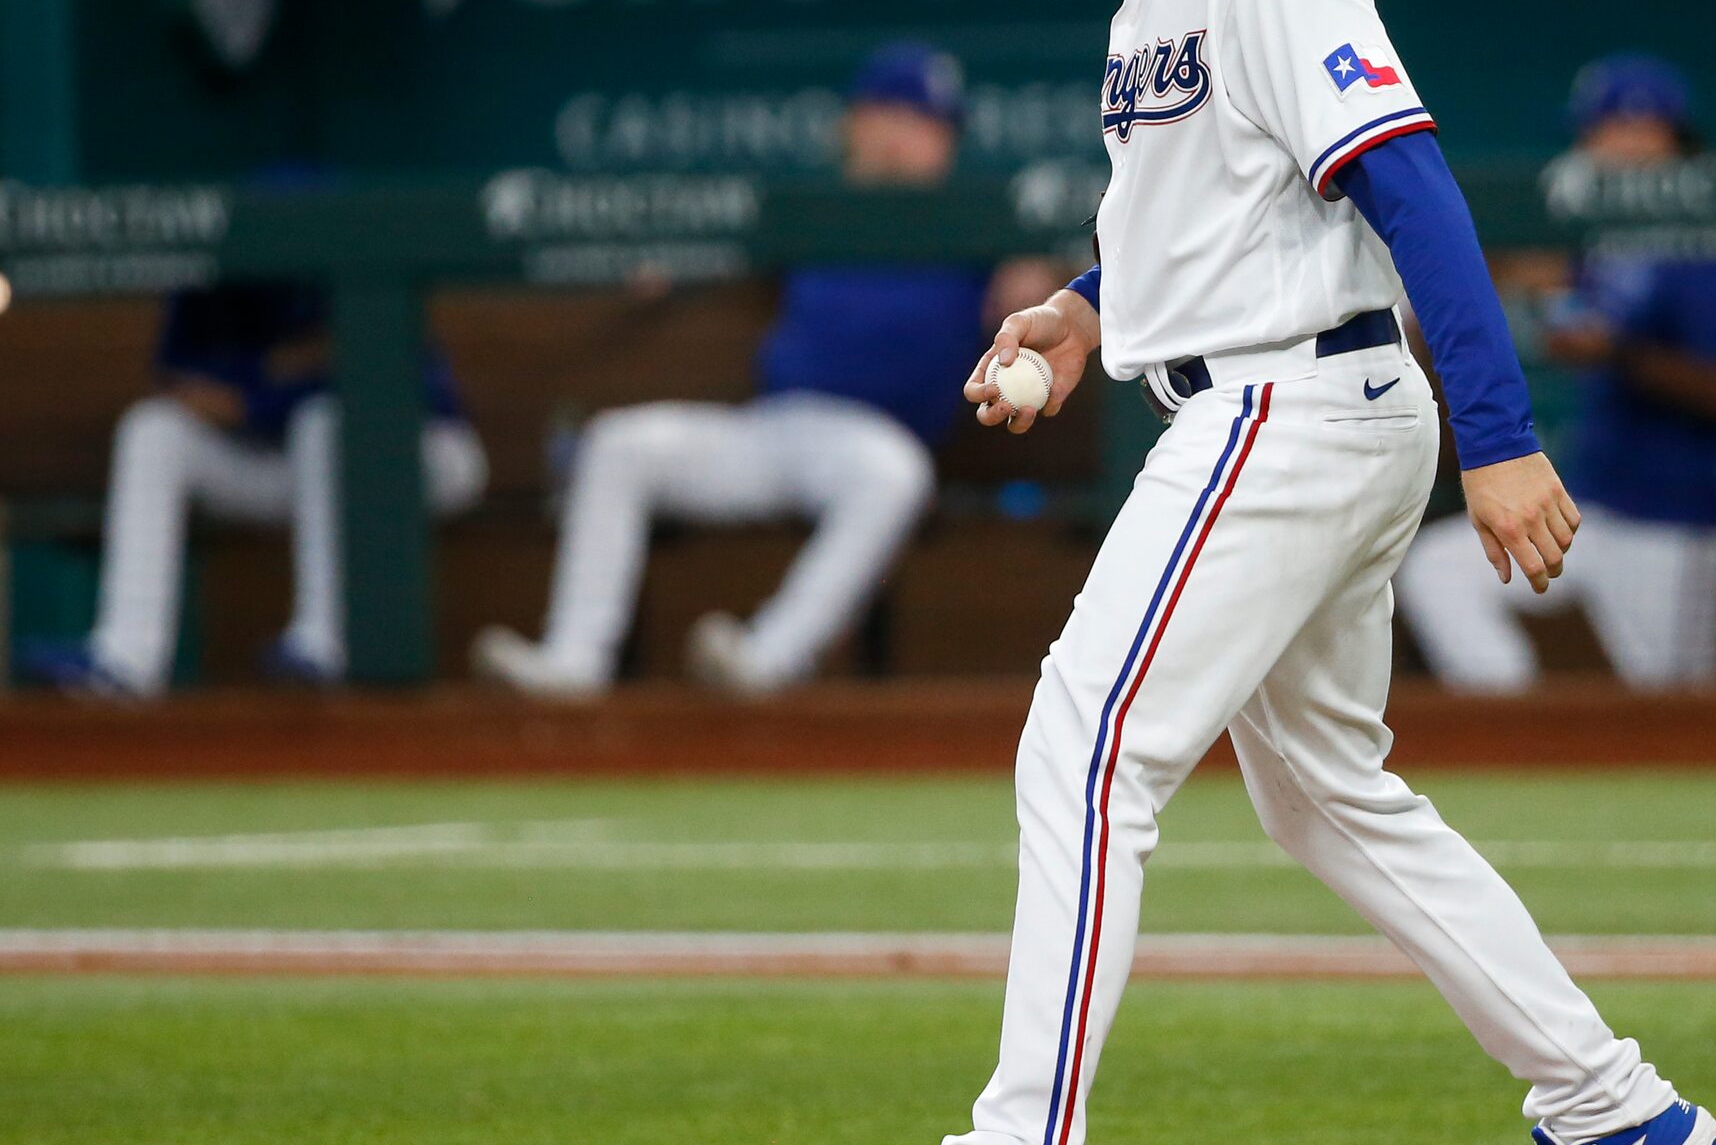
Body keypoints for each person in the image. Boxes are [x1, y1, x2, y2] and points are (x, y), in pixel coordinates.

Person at [810, 0, 1716, 1145]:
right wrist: (1087, 308)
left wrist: (1501, 431)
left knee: (1086, 746)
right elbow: (1201, 208)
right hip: (1282, 396)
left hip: (1286, 406)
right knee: (1324, 797)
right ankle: (1612, 1109)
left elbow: (1407, 176)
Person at [471, 44, 1052, 695]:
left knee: (895, 475)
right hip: (775, 426)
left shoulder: (973, 222)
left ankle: (767, 661)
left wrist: (1026, 280)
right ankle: (573, 661)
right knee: (617, 445)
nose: (923, 140)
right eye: (906, 117)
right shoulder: (806, 205)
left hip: (872, 441)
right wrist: (662, 260)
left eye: (937, 127)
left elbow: (1032, 289)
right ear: (862, 121)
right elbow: (704, 247)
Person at [1396, 54, 1716, 691]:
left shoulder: (1702, 237)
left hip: (1675, 521)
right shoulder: (1595, 239)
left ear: (1663, 136)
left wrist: (1617, 352)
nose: (1606, 149)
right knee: (1440, 571)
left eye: (1625, 130)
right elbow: (1539, 296)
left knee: (1677, 711)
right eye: (1599, 132)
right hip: (1594, 507)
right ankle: (1522, 738)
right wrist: (1504, 281)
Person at [15, 279, 487, 695]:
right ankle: (124, 658)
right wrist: (268, 386)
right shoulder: (206, 281)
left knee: (320, 421)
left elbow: (395, 387)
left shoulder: (349, 269)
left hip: (415, 460)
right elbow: (181, 382)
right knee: (154, 429)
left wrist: (254, 401)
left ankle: (322, 640)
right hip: (290, 469)